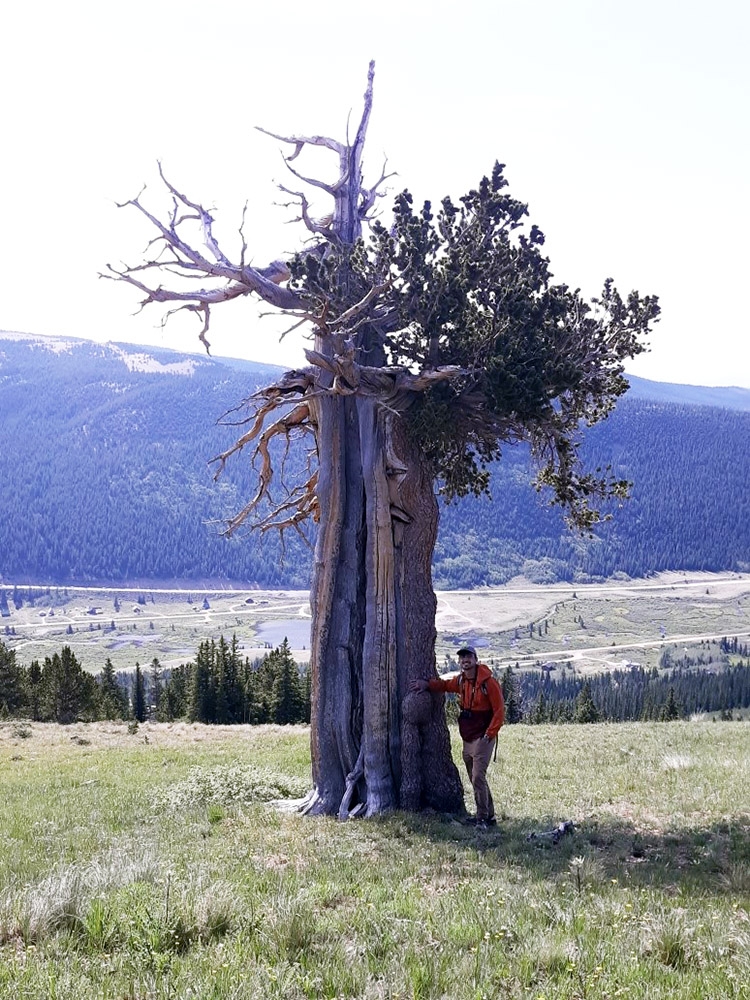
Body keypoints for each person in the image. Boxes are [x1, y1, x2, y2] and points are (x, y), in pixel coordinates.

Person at [412, 646, 505, 828]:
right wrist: (427, 685)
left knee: (478, 776)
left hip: (483, 737)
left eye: (468, 657)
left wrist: (489, 734)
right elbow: (446, 685)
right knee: (475, 778)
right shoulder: (462, 681)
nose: (465, 660)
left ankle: (482, 818)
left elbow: (500, 711)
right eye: (462, 658)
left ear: (476, 659)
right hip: (468, 736)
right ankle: (489, 815)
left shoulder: (489, 683)